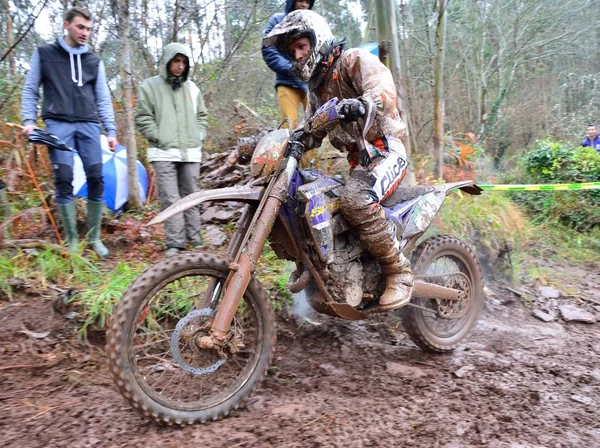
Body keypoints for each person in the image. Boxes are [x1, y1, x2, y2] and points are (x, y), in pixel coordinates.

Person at [264, 10, 413, 311]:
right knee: (310, 198)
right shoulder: (318, 90)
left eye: (301, 46)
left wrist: (363, 103)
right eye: (292, 51)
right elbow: (312, 130)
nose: (297, 54)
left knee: (355, 200)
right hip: (361, 160)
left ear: (317, 39)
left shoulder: (353, 61)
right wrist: (289, 142)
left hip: (387, 148)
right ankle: (333, 270)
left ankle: (400, 271)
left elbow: (383, 87)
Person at [21, 6, 117, 257]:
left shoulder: (94, 61)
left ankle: (94, 238)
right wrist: (29, 120)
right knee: (63, 178)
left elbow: (103, 98)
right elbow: (31, 89)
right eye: (80, 27)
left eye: (88, 29)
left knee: (96, 175)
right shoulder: (45, 54)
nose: (85, 33)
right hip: (57, 123)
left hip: (88, 123)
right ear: (66, 25)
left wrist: (111, 130)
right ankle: (72, 240)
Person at [135, 43, 208, 257]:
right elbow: (142, 117)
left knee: (192, 196)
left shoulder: (192, 89)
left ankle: (195, 240)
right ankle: (175, 244)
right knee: (170, 198)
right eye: (176, 61)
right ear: (167, 62)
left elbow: (202, 116)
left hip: (191, 151)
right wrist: (159, 136)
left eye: (184, 62)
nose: (180, 66)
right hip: (163, 152)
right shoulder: (149, 87)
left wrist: (199, 134)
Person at [262, 0, 316, 167]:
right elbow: (268, 48)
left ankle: (312, 170)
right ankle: (287, 171)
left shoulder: (312, 21)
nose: (304, 4)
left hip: (311, 83)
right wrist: (290, 67)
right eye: (301, 0)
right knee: (288, 128)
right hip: (287, 82)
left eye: (308, 1)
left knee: (315, 127)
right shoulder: (278, 21)